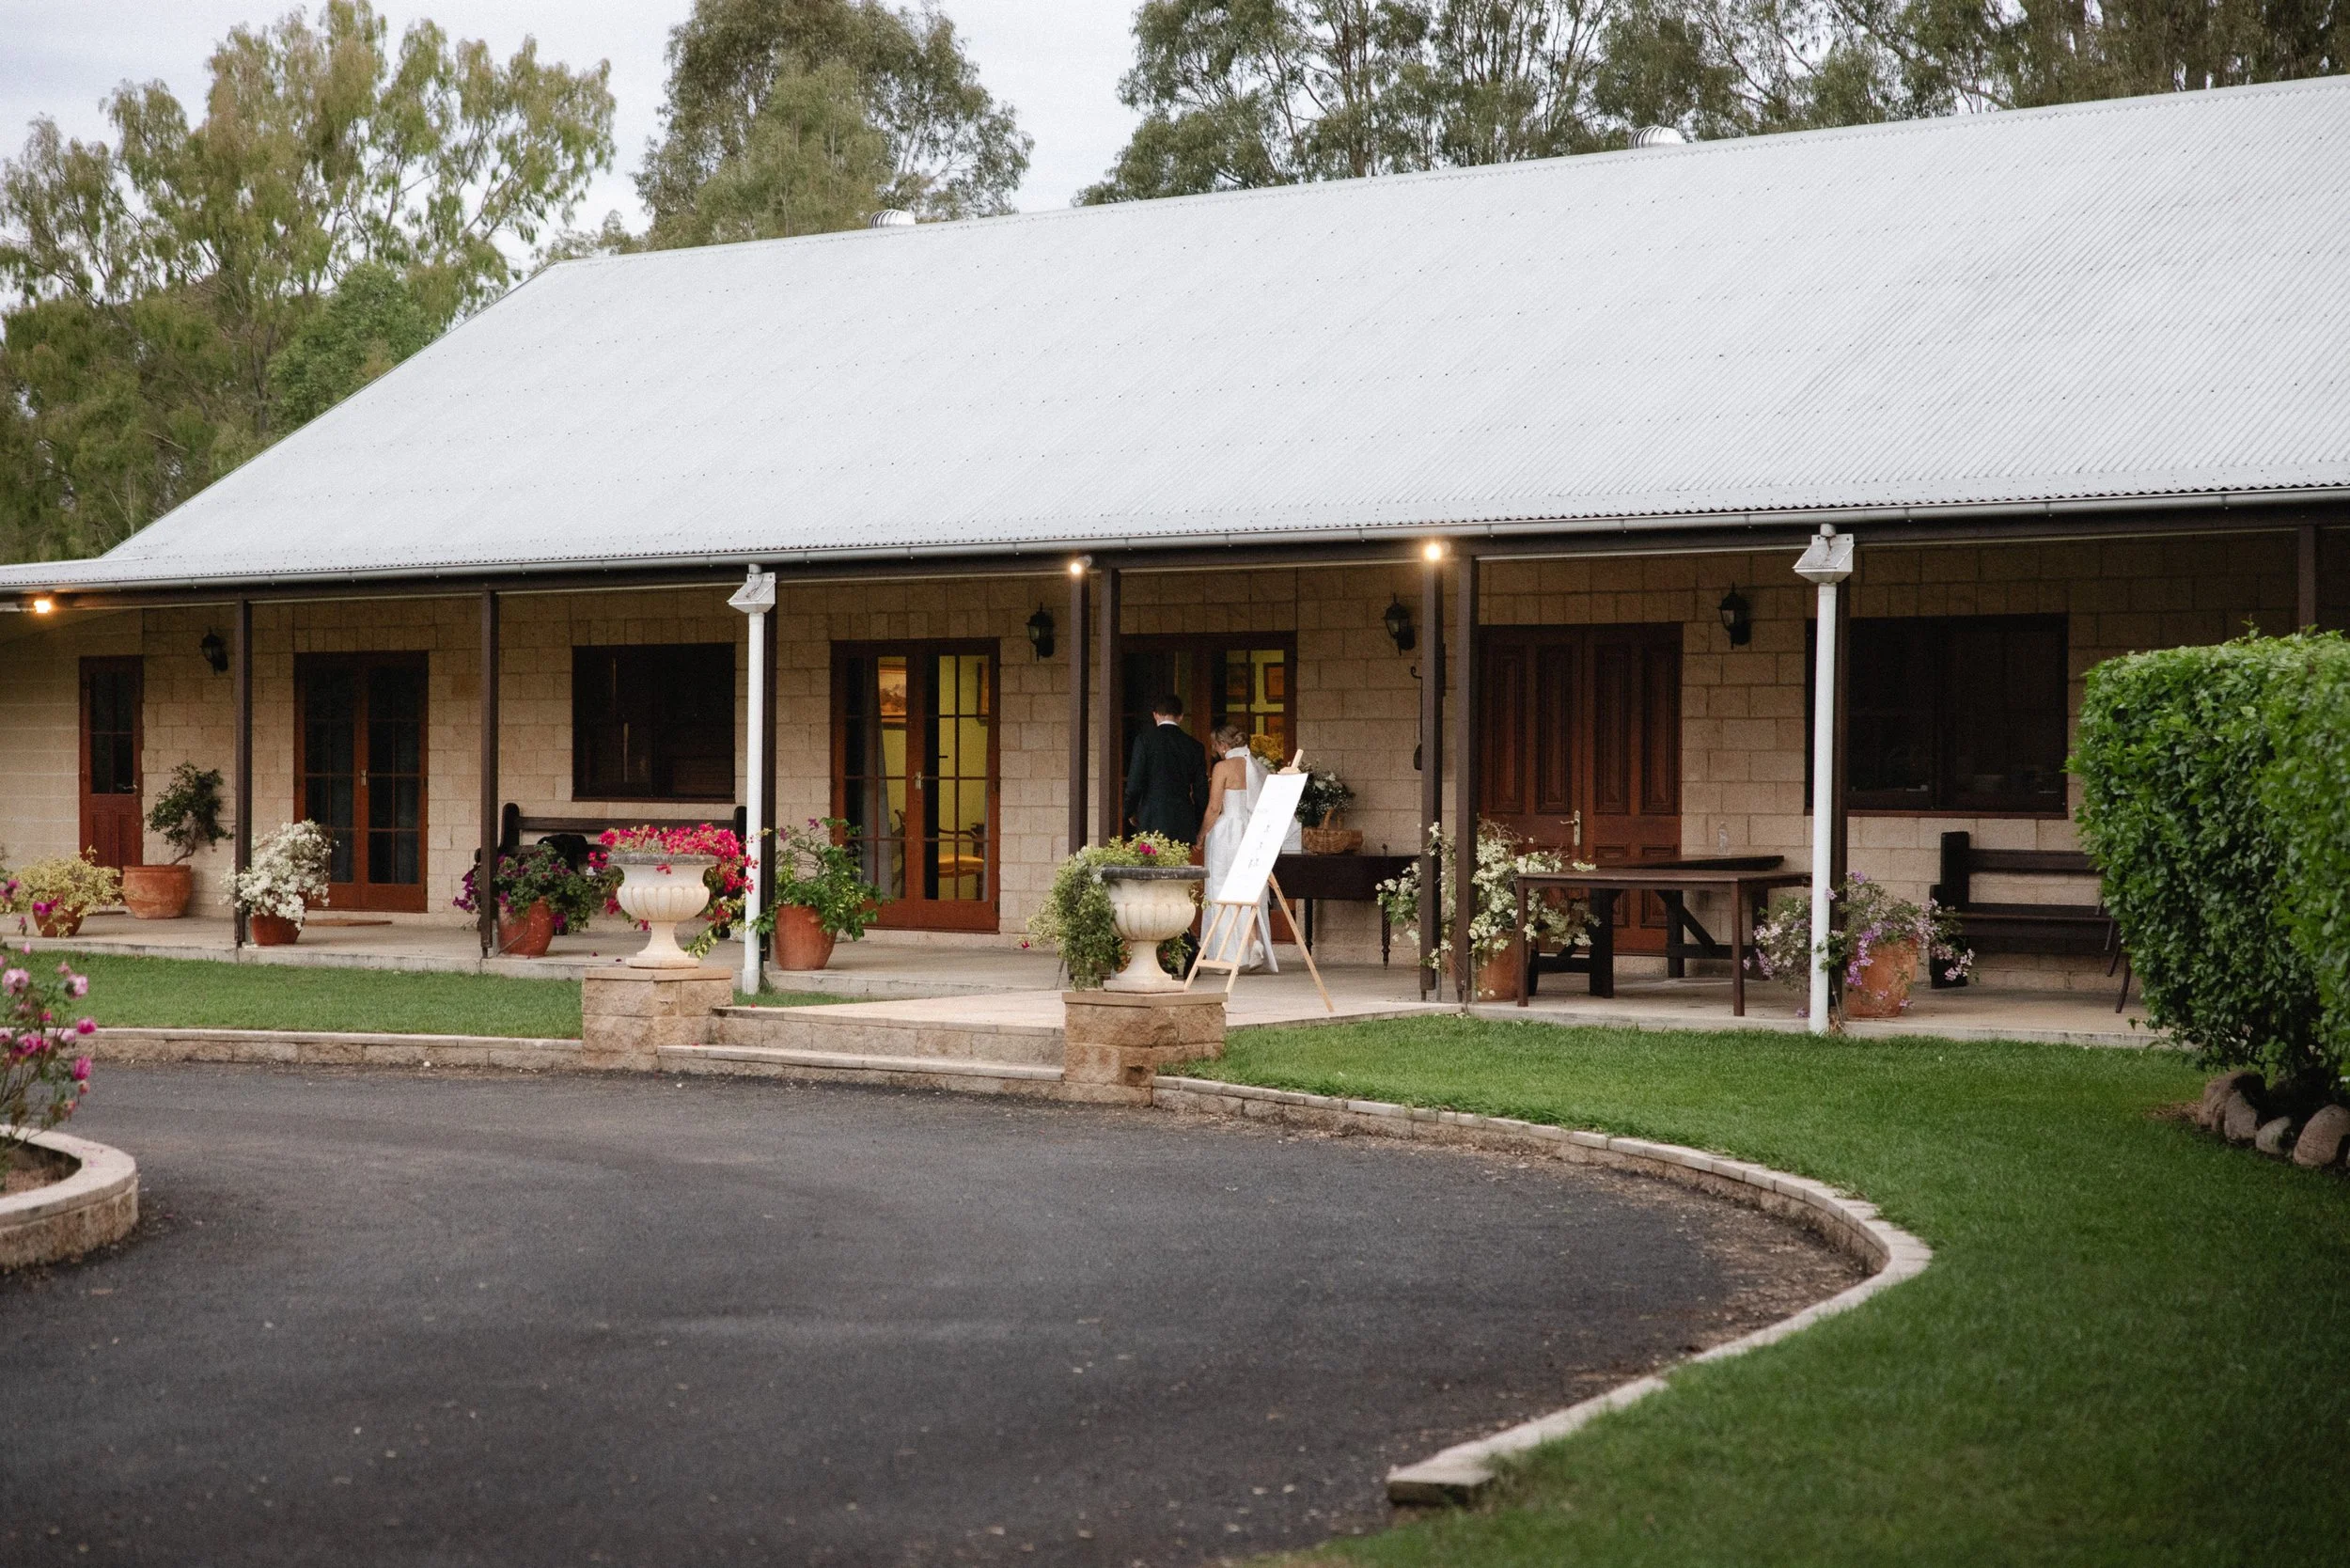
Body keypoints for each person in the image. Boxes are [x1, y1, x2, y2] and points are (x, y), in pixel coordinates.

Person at [1197, 723, 1277, 972]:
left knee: (1221, 890)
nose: (1216, 752)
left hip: (1227, 833)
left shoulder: (1223, 767)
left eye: (1216, 747)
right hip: (1251, 832)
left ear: (1223, 745)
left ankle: (1228, 955)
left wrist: (1200, 835)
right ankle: (1253, 943)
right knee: (1248, 889)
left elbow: (1214, 808)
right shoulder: (1257, 767)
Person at [1123, 694, 1210, 844]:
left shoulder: (1144, 741)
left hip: (1151, 817)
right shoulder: (1195, 746)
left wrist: (1129, 811)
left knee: (1151, 865)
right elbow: (1200, 790)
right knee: (1180, 865)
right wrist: (1198, 822)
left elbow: (1134, 784)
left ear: (1155, 715)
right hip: (1183, 820)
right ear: (1181, 717)